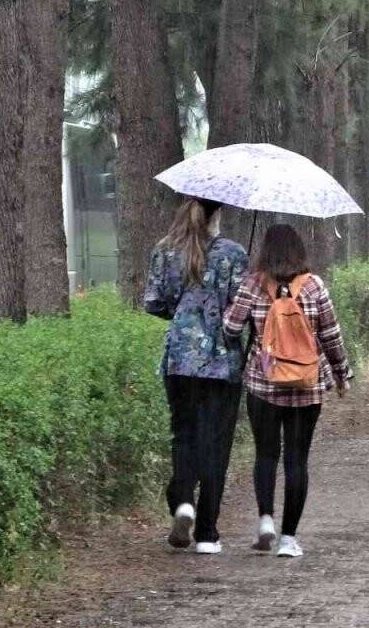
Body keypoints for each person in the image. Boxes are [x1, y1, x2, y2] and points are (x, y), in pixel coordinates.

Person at [223, 224, 353, 558]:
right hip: (307, 386)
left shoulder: (254, 284)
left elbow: (231, 328)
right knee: (297, 460)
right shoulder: (314, 286)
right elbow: (331, 336)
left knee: (266, 454)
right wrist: (341, 373)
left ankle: (266, 518)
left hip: (263, 384)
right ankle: (288, 539)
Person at [143, 197, 247, 555]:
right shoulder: (233, 253)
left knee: (183, 433)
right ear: (217, 215)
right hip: (221, 361)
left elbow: (154, 303)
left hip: (179, 360)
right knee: (215, 443)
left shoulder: (165, 251)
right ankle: (206, 533)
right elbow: (242, 306)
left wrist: (184, 310)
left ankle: (184, 500)